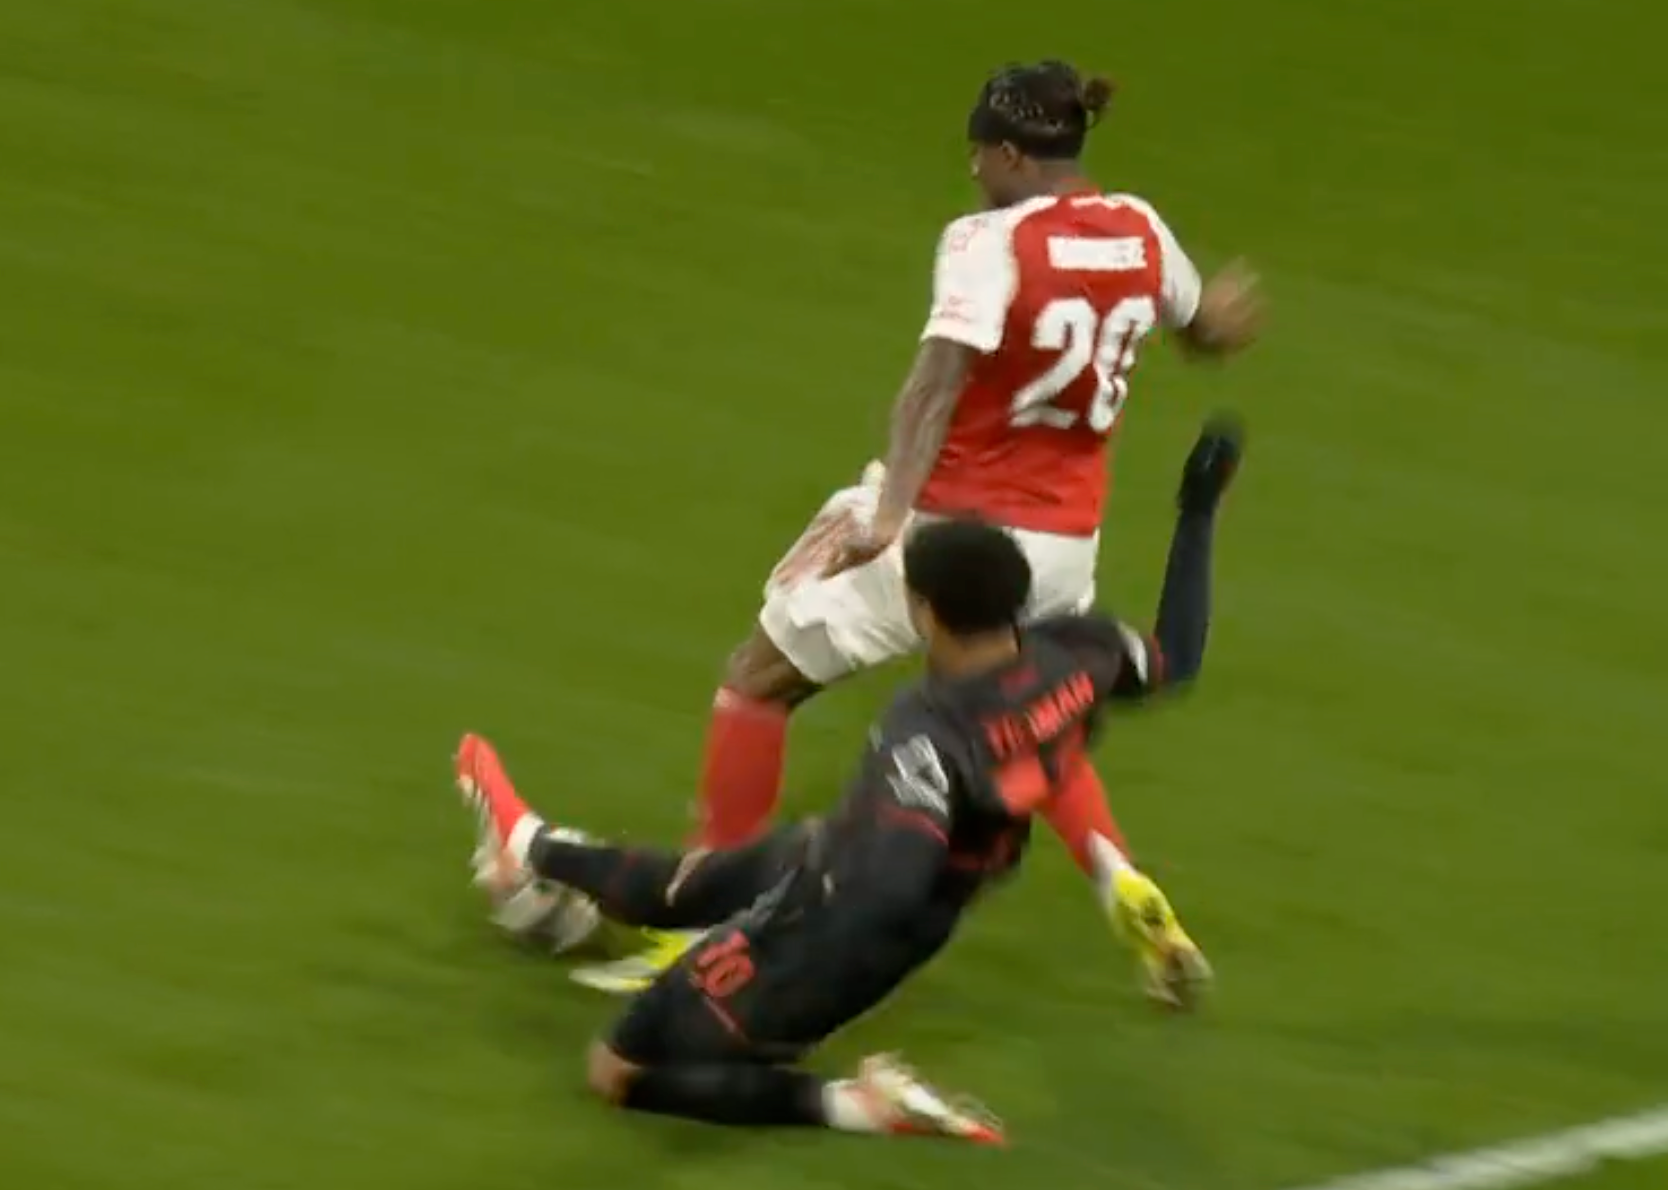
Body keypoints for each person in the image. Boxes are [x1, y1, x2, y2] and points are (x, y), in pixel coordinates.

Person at [576, 59, 1262, 993]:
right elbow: (1204, 329)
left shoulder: (987, 242)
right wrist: (1224, 318)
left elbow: (934, 384)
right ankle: (1121, 878)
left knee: (756, 681)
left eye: (981, 152)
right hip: (1064, 549)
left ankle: (700, 929)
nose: (973, 168)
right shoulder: (1140, 231)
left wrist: (891, 513)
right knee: (1024, 716)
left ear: (1014, 153)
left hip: (954, 540)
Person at [452, 419, 1244, 1141]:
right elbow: (1175, 657)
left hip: (827, 938)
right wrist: (1199, 510)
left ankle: (860, 1106)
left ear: (927, 612)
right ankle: (532, 846)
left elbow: (886, 885)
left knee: (617, 1073)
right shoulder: (1080, 649)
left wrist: (776, 927)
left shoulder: (926, 731)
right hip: (847, 864)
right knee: (691, 882)